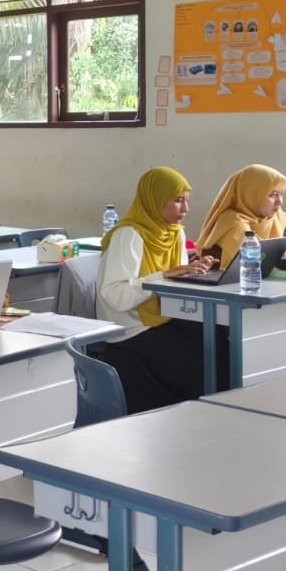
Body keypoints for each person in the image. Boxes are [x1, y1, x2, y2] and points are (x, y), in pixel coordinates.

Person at [97, 168, 220, 412]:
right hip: (130, 327)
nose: (185, 209)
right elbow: (114, 295)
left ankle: (216, 410)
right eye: (178, 200)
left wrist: (194, 270)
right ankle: (192, 413)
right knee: (192, 357)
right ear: (156, 199)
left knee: (214, 340)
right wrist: (163, 275)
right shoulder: (129, 235)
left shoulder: (175, 232)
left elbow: (175, 277)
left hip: (163, 316)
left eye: (187, 200)